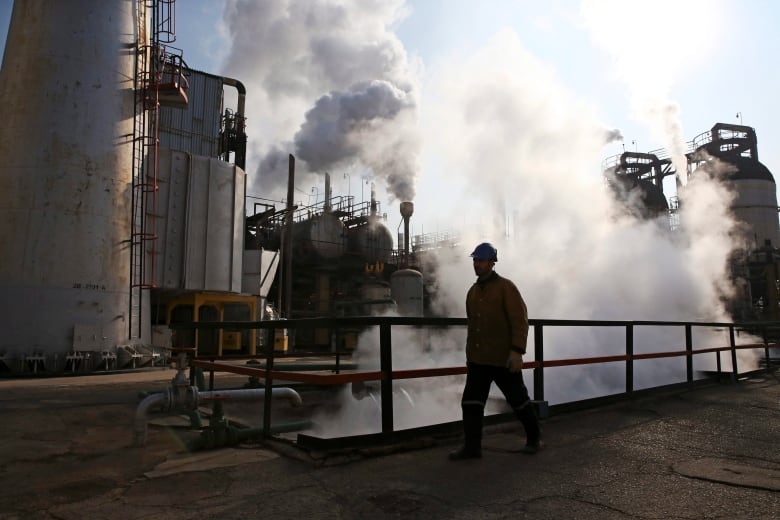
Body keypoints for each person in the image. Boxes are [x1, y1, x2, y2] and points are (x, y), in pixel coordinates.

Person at [449, 242, 542, 460]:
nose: (476, 264)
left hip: (502, 359)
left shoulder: (506, 288)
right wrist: (469, 358)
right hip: (478, 360)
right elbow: (473, 326)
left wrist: (517, 351)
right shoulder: (472, 292)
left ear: (492, 263)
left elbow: (520, 321)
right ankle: (472, 448)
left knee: (518, 400)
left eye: (480, 260)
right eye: (475, 260)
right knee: (471, 403)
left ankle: (534, 438)